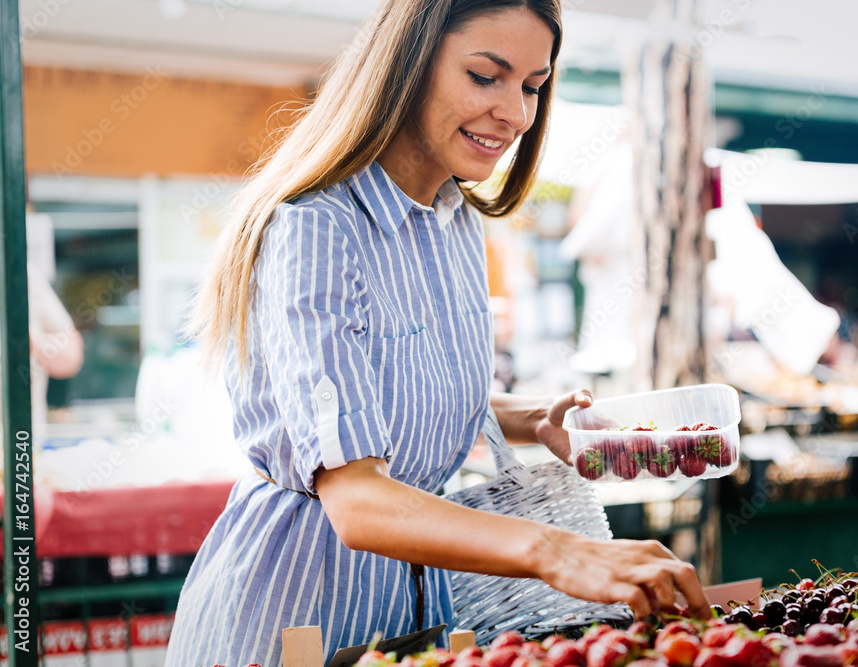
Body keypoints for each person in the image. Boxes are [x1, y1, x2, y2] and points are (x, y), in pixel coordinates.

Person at [167, 2, 709, 665]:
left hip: (413, 614)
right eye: (487, 76)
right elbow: (357, 497)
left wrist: (535, 416)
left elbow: (390, 397)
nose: (516, 112)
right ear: (406, 65)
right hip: (294, 617)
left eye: (533, 86)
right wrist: (553, 549)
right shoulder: (315, 229)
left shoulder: (454, 221)